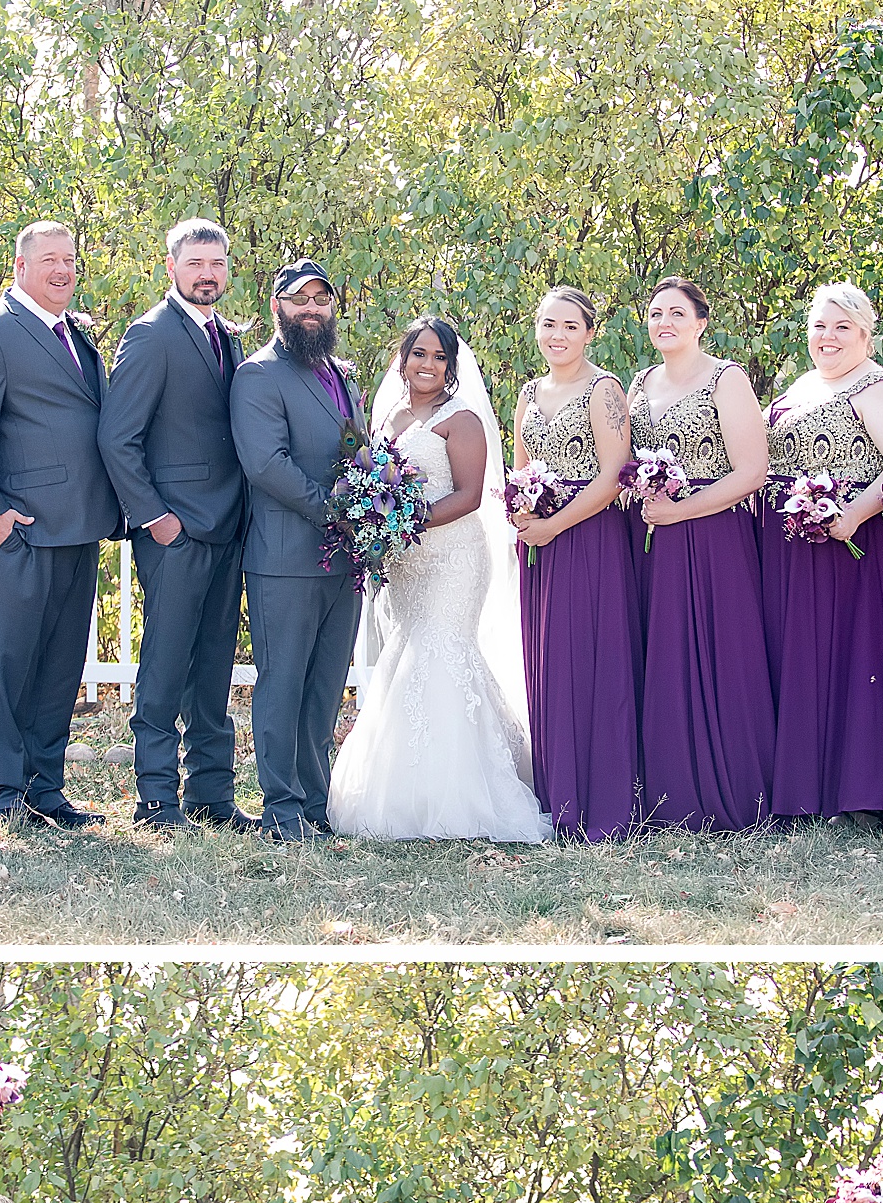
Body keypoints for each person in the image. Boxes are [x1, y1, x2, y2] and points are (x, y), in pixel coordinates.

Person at [326, 315, 552, 843]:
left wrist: (402, 521)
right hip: (406, 561)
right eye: (418, 354)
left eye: (438, 357)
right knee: (405, 655)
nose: (427, 364)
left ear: (451, 367)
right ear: (401, 359)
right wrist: (377, 524)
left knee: (442, 652)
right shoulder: (389, 417)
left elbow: (470, 494)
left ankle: (465, 794)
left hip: (453, 558)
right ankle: (404, 790)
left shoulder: (462, 418)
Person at [0, 220, 123, 830]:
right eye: (49, 260)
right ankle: (2, 791)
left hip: (79, 527)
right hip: (20, 531)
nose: (63, 270)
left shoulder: (76, 333)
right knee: (11, 666)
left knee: (60, 667)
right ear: (21, 267)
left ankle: (46, 788)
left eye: (70, 260)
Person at [96, 218, 257, 832]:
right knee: (165, 666)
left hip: (227, 527)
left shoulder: (228, 338)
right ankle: (156, 799)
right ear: (171, 268)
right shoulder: (150, 336)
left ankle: (211, 797)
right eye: (195, 264)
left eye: (216, 264)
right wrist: (155, 517)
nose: (207, 274)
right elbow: (118, 438)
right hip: (174, 532)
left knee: (214, 664)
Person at [760, 282, 883, 828]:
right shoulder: (801, 386)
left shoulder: (880, 387)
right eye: (819, 326)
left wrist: (852, 513)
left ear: (865, 334)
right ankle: (804, 790)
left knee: (859, 660)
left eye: (841, 328)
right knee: (801, 660)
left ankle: (863, 794)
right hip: (792, 545)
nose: (827, 337)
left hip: (857, 546)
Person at [625, 279, 774, 831]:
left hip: (713, 536)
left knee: (718, 653)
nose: (664, 321)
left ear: (700, 322)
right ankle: (667, 792)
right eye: (655, 312)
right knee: (663, 655)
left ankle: (731, 792)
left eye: (676, 313)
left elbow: (751, 472)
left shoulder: (726, 378)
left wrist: (681, 511)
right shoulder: (639, 384)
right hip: (653, 540)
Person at [228, 259, 365, 841]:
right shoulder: (258, 375)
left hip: (345, 560)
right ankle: (280, 807)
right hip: (286, 556)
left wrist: (373, 506)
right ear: (276, 307)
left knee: (325, 683)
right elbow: (265, 463)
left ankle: (314, 802)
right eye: (299, 298)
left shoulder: (342, 374)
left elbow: (361, 453)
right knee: (282, 682)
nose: (312, 308)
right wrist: (334, 509)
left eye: (322, 298)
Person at [510, 288, 640, 839]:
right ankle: (556, 794)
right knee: (546, 666)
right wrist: (521, 513)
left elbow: (614, 474)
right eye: (547, 324)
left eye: (569, 326)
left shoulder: (602, 388)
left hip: (588, 539)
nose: (557, 335)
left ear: (590, 333)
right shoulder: (528, 391)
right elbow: (519, 468)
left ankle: (599, 803)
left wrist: (554, 524)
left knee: (589, 662)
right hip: (538, 543)